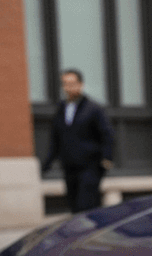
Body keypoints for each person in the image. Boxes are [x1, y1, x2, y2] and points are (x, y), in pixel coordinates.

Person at [42, 69, 114, 213]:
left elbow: (107, 135)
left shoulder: (93, 109)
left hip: (90, 167)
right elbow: (56, 138)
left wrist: (106, 160)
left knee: (86, 206)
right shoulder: (61, 109)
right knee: (74, 207)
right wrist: (47, 163)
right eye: (65, 84)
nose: (68, 88)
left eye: (72, 84)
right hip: (69, 167)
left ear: (81, 85)